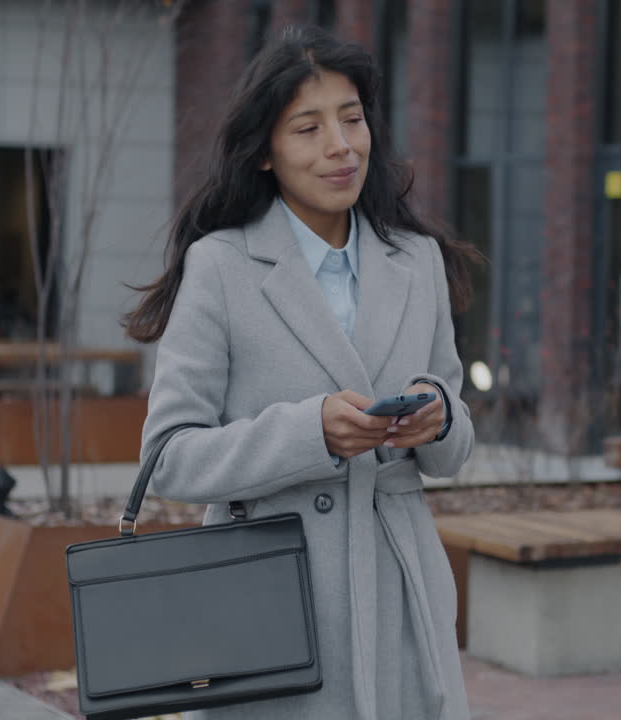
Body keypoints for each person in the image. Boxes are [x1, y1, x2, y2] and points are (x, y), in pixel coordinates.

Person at [124, 24, 481, 720]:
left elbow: (455, 445)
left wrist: (439, 416)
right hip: (271, 605)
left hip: (401, 600)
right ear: (265, 152)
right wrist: (310, 433)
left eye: (352, 119)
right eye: (308, 129)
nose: (340, 146)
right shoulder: (221, 267)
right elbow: (167, 457)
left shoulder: (417, 261)